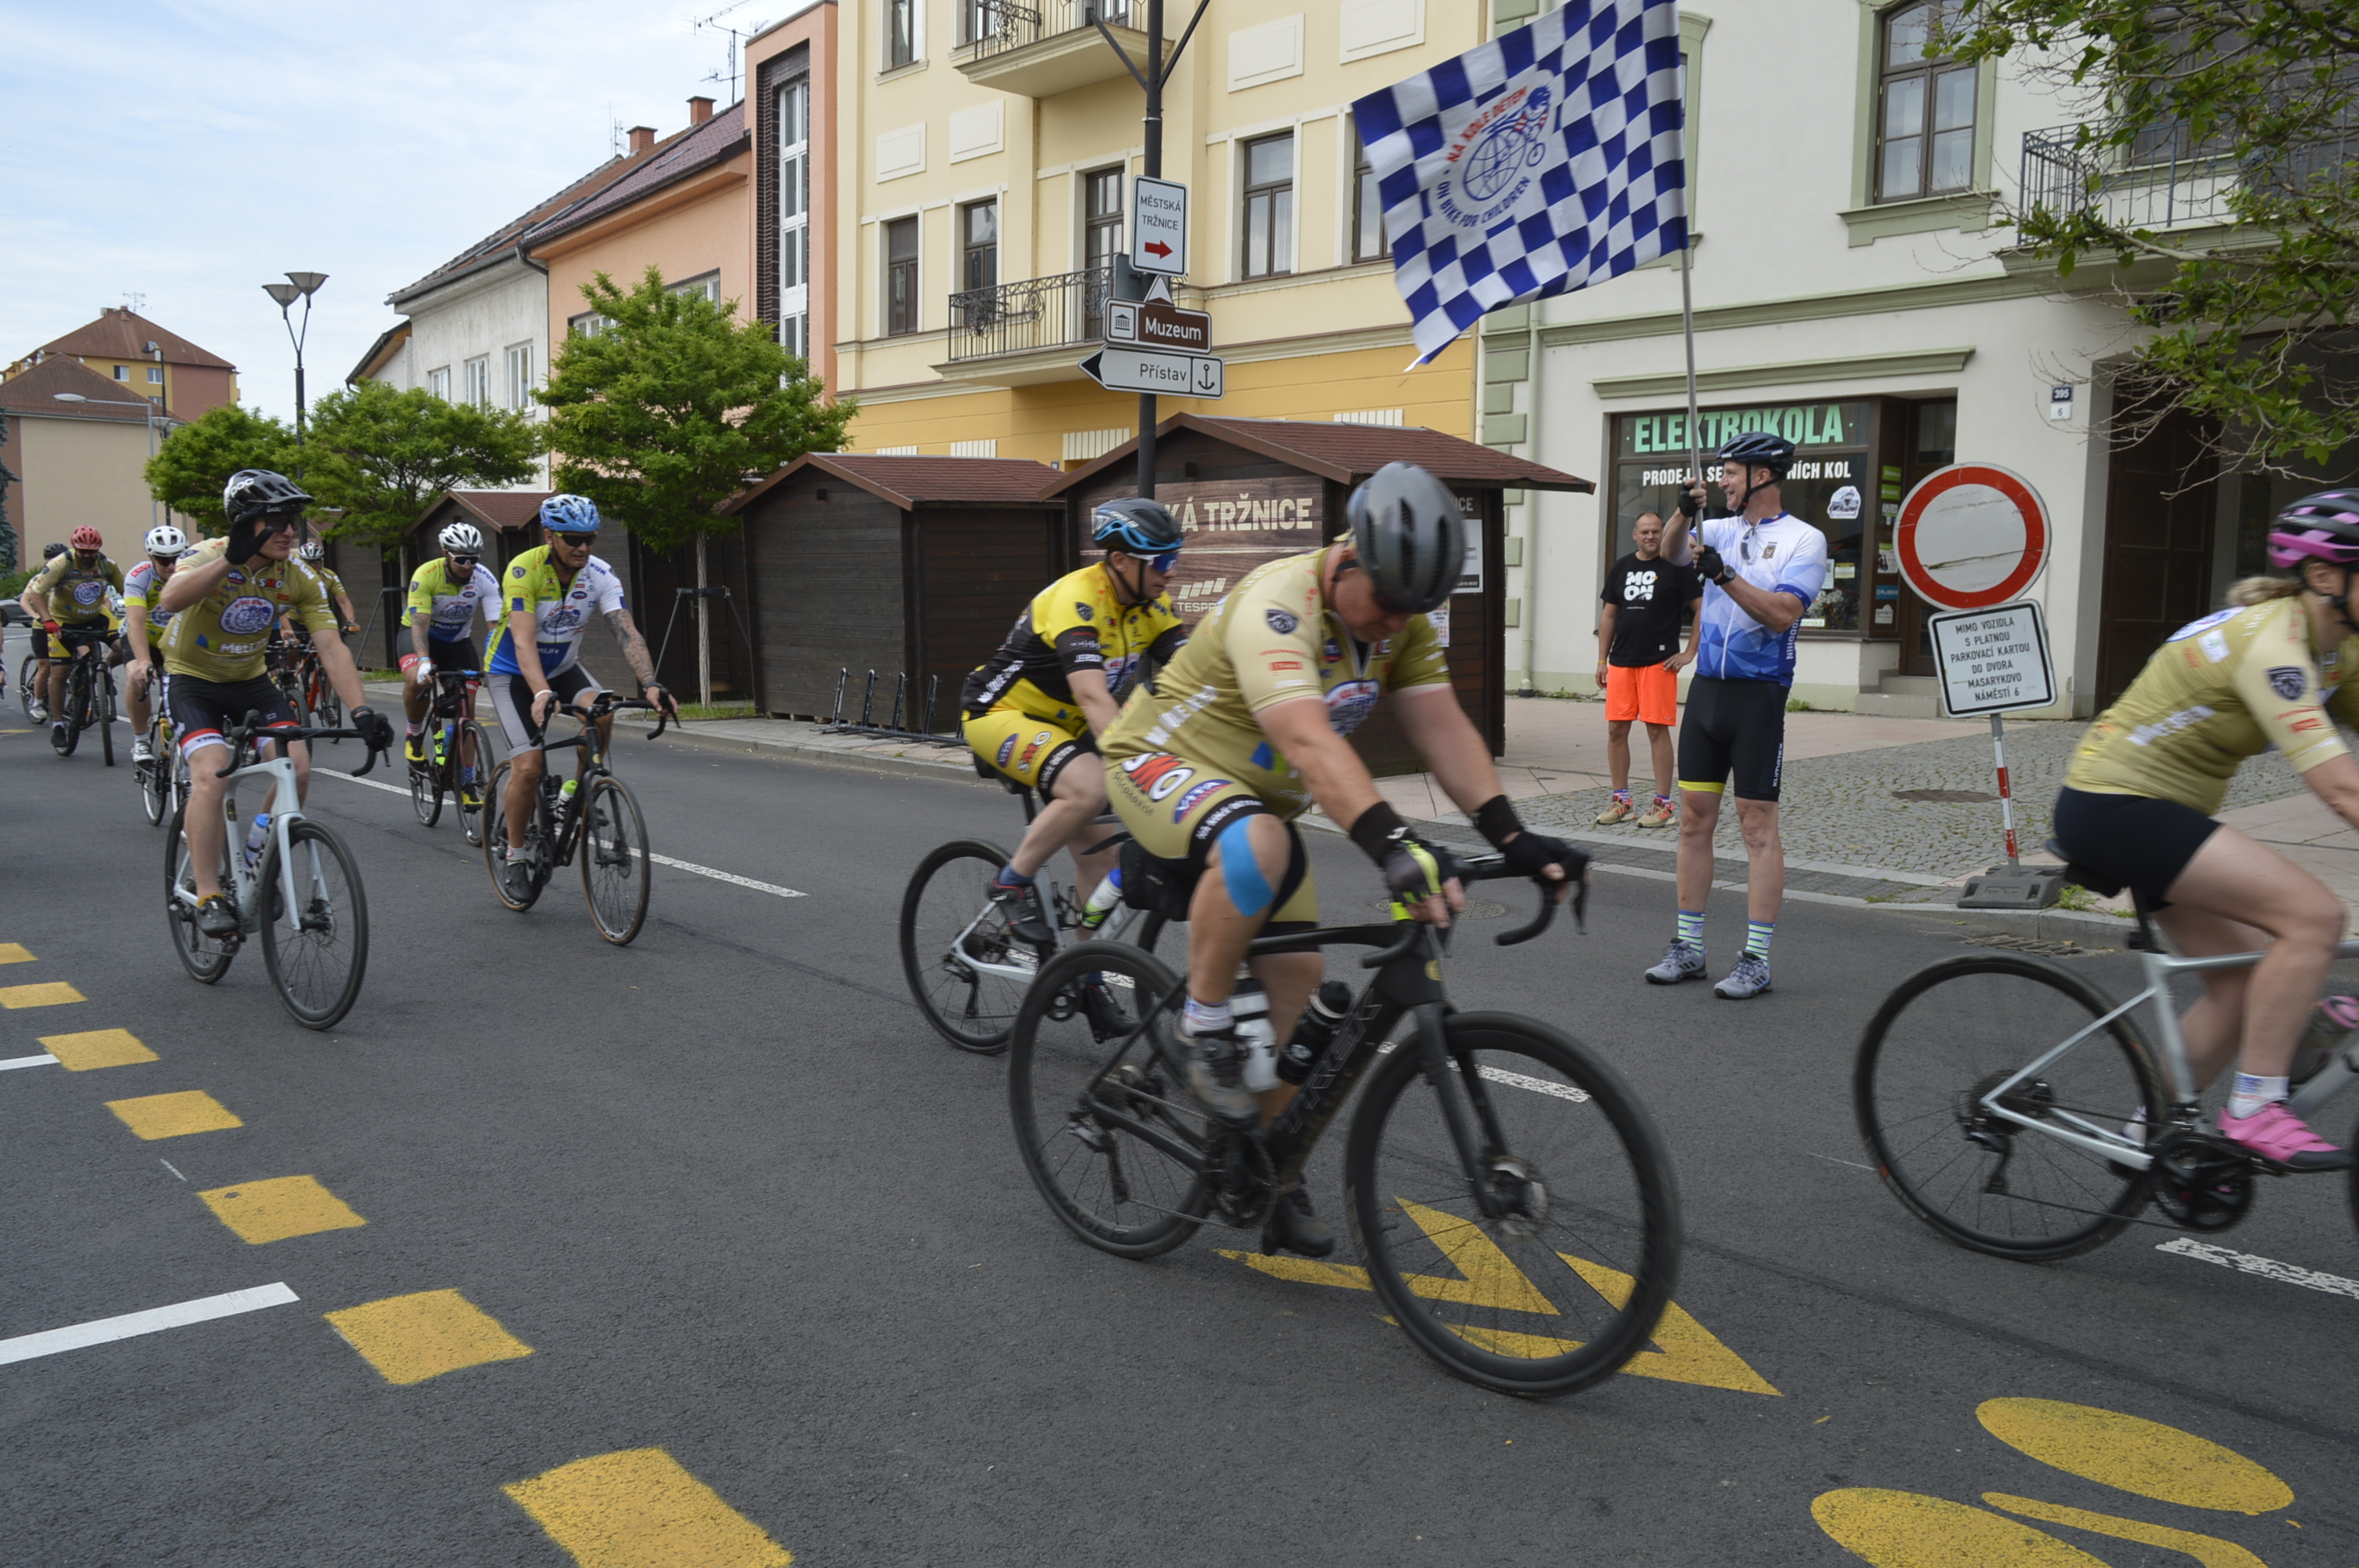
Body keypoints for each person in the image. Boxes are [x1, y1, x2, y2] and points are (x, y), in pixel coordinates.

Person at [1100, 461, 1585, 1258]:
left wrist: (1512, 835)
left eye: (1414, 610)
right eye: (1388, 602)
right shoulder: (1278, 605)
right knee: (1260, 842)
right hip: (1158, 764)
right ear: (1349, 559)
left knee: (1299, 986)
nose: (1396, 623)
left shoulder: (1400, 620)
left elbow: (1443, 728)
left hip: (1255, 804)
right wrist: (1392, 845)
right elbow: (1308, 741)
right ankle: (1200, 1025)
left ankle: (1265, 1173)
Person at [2048, 489, 2359, 1171]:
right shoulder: (2272, 642)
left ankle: (2147, 1137)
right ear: (2325, 577)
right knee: (2313, 917)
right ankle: (2254, 1107)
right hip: (2114, 804)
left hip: (2164, 815)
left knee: (2244, 982)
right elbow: (2341, 788)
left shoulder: (2339, 650)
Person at [156, 470, 391, 938]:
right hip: (192, 681)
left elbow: (331, 647)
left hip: (250, 682)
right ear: (245, 523)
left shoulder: (296, 574)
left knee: (297, 768)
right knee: (211, 774)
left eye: (293, 522)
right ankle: (208, 894)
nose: (290, 532)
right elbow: (171, 598)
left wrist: (362, 710)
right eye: (278, 521)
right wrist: (230, 559)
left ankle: (258, 862)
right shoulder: (208, 555)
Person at [1648, 431, 1830, 1000]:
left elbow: (1782, 614)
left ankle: (1756, 959)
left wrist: (1726, 575)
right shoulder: (1718, 527)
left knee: (1756, 826)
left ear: (1762, 476)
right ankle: (1688, 947)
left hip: (1759, 696)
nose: (1722, 481)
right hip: (1708, 691)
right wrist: (1683, 512)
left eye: (1730, 472)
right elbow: (1672, 554)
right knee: (1692, 820)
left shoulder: (1805, 539)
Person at [961, 498, 1187, 946]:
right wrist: (1138, 764)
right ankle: (1011, 881)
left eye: (1175, 558)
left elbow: (1197, 678)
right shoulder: (1078, 599)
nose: (1172, 571)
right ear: (1120, 560)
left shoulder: (1152, 607)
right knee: (1091, 786)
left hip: (1066, 728)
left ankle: (1086, 971)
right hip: (1002, 713)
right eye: (1162, 561)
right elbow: (1092, 695)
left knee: (1101, 861)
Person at [485, 494, 677, 902]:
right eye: (573, 539)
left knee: (602, 712)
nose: (583, 547)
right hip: (512, 673)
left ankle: (572, 792)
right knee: (529, 767)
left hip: (562, 667)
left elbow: (626, 631)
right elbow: (522, 642)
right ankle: (515, 855)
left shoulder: (600, 574)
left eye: (590, 538)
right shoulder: (523, 570)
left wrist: (651, 683)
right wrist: (541, 691)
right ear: (549, 536)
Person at [1594, 511, 1703, 829]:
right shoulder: (1622, 566)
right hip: (1622, 661)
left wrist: (1689, 653)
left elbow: (1702, 610)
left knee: (1657, 730)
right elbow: (1609, 615)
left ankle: (1664, 805)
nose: (1651, 536)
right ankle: (1622, 801)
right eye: (1645, 532)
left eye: (1656, 531)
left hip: (1659, 662)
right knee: (1616, 730)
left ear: (1663, 534)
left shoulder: (1677, 567)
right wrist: (1602, 660)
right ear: (1635, 535)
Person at [401, 521, 501, 800]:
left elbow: (495, 629)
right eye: (461, 559)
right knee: (416, 680)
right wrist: (424, 660)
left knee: (467, 708)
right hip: (420, 637)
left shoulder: (485, 579)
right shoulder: (426, 574)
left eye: (473, 559)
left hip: (457, 643)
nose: (468, 566)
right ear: (446, 553)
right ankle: (414, 734)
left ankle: (466, 780)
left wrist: (496, 665)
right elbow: (419, 624)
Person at [22, 526, 126, 747]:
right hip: (64, 620)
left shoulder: (108, 565)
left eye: (91, 551)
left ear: (98, 549)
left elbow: (127, 591)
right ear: (74, 548)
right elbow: (37, 594)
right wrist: (47, 620)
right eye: (82, 551)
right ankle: (58, 724)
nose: (87, 555)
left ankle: (103, 666)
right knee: (59, 672)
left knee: (127, 647)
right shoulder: (60, 564)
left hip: (97, 616)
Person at [122, 523, 190, 764]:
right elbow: (136, 622)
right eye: (163, 560)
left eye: (176, 559)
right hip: (144, 638)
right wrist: (143, 661)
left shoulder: (193, 573)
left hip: (177, 640)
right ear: (151, 558)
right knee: (136, 678)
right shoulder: (139, 576)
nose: (171, 566)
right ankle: (141, 740)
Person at [18, 541, 68, 718]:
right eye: (52, 558)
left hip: (65, 625)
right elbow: (25, 601)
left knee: (74, 661)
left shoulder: (68, 578)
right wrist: (35, 615)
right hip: (43, 626)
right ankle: (38, 702)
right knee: (45, 666)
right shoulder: (38, 579)